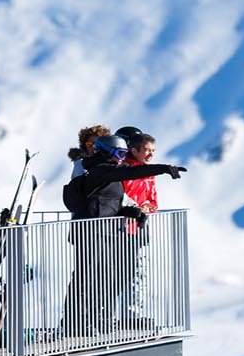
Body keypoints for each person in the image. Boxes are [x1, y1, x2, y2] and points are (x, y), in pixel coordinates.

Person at [61, 133, 185, 335]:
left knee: (103, 278)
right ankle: (75, 323)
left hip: (106, 231)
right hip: (90, 230)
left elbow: (109, 203)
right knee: (86, 277)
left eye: (124, 154)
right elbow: (131, 173)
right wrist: (163, 169)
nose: (121, 158)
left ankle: (95, 319)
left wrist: (132, 211)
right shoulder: (100, 170)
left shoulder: (111, 174)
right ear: (106, 153)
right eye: (119, 153)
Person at [119, 132, 161, 328]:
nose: (150, 155)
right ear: (134, 150)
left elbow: (153, 202)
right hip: (120, 228)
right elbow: (119, 197)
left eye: (153, 151)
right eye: (146, 150)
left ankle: (135, 314)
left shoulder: (149, 172)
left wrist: (146, 208)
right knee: (120, 272)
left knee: (139, 272)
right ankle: (119, 315)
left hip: (140, 228)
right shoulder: (123, 170)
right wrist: (135, 208)